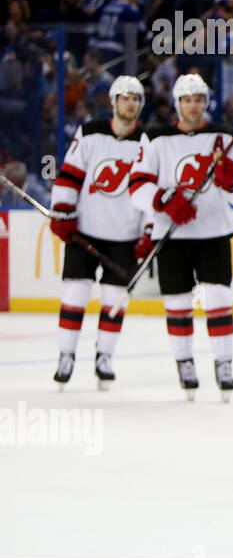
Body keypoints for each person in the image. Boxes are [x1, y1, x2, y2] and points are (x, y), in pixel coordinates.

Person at [128, 73, 233, 400]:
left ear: (205, 102)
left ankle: (224, 364)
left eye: (198, 100)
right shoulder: (154, 138)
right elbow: (137, 186)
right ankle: (184, 363)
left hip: (214, 231)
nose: (193, 106)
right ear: (177, 103)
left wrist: (227, 179)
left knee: (219, 298)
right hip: (174, 235)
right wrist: (164, 200)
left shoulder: (224, 137)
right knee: (178, 302)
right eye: (187, 100)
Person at [48, 76, 148, 389]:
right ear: (114, 101)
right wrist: (63, 212)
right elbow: (69, 176)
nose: (130, 103)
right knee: (74, 293)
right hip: (86, 230)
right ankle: (66, 355)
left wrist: (148, 232)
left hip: (125, 235)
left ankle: (104, 357)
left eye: (136, 98)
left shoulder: (148, 142)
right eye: (125, 97)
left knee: (115, 299)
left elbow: (149, 190)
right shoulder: (90, 133)